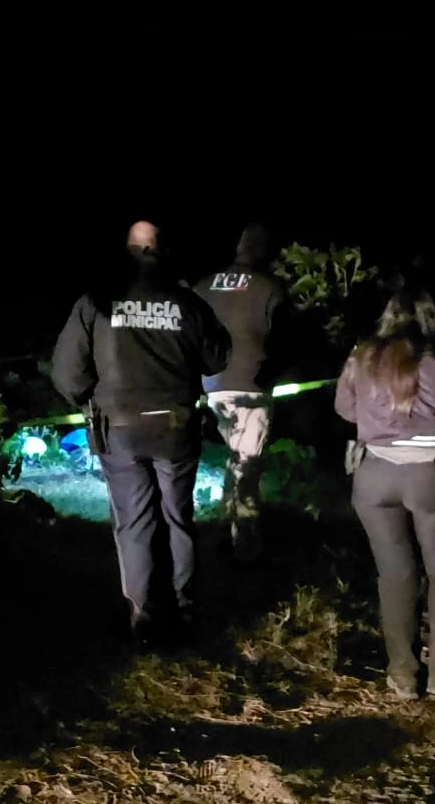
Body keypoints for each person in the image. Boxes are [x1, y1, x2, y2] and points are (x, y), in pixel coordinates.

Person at [51, 221, 232, 644]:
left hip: (121, 428)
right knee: (177, 518)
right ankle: (185, 609)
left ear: (127, 252)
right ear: (162, 252)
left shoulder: (96, 301)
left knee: (133, 522)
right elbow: (218, 357)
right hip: (175, 425)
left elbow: (66, 372)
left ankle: (144, 615)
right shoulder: (187, 301)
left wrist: (89, 399)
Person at [335, 286, 435, 701]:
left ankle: (403, 675)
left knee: (395, 574)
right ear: (430, 320)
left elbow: (344, 409)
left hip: (374, 478)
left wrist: (375, 418)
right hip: (431, 479)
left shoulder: (361, 357)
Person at [193, 224, 291, 562]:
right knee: (246, 469)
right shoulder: (271, 288)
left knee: (234, 464)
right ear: (265, 252)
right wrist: (270, 378)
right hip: (251, 388)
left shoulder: (204, 286)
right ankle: (246, 549)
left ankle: (223, 532)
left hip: (211, 388)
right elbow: (283, 342)